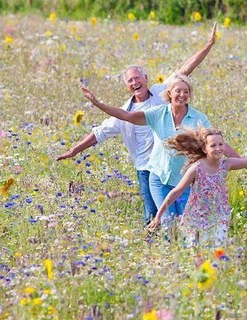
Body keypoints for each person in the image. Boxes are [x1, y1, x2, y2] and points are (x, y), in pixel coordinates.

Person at [56, 23, 220, 224]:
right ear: (127, 86)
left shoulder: (162, 95)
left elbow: (185, 69)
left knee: (179, 214)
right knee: (152, 214)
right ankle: (156, 246)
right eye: (130, 81)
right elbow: (98, 134)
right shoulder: (125, 113)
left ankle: (177, 243)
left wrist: (209, 44)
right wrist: (73, 150)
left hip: (172, 164)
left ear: (146, 78)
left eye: (137, 78)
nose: (134, 82)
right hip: (147, 169)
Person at [81, 74, 243, 221]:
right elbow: (127, 116)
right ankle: (170, 248)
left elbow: (216, 143)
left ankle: (184, 253)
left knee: (185, 223)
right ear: (169, 93)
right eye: (178, 91)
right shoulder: (158, 114)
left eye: (186, 91)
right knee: (168, 222)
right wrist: (97, 103)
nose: (182, 95)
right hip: (159, 179)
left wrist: (245, 162)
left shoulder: (198, 119)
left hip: (185, 181)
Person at [147, 127, 247, 247]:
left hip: (219, 216)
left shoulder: (226, 164)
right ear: (204, 149)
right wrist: (158, 217)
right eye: (213, 145)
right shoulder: (197, 168)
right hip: (197, 218)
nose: (218, 148)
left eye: (221, 144)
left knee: (217, 251)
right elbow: (176, 192)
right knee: (196, 253)